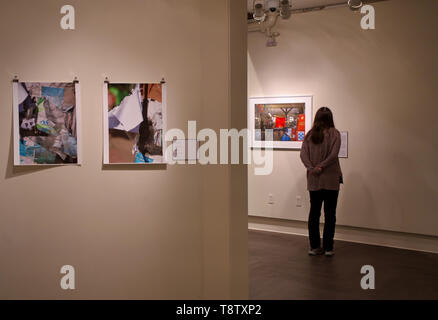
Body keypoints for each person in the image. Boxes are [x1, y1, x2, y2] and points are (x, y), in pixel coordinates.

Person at [300, 107, 343, 257]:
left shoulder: (310, 135)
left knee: (314, 214)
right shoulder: (335, 134)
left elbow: (303, 154)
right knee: (330, 214)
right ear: (330, 118)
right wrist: (321, 167)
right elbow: (333, 155)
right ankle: (328, 248)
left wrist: (312, 168)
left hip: (314, 180)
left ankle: (314, 247)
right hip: (331, 180)